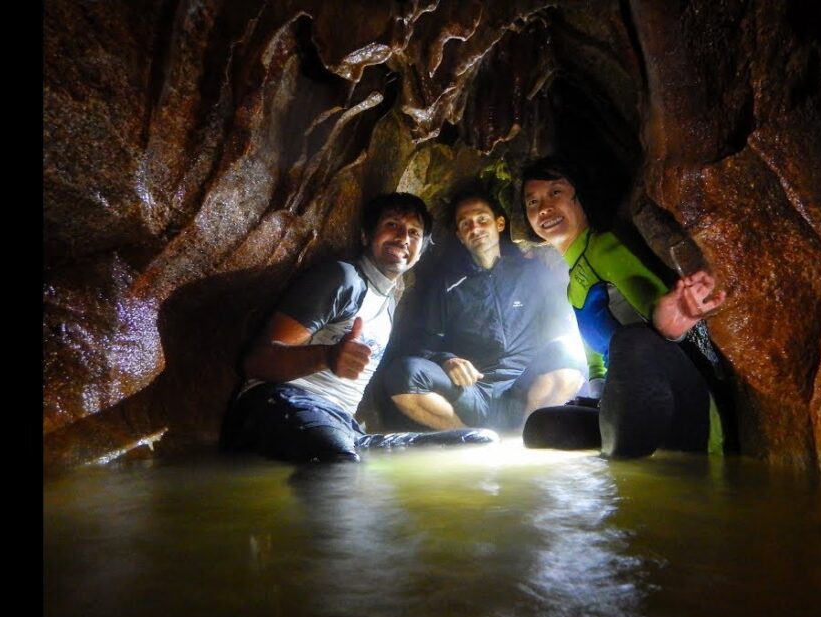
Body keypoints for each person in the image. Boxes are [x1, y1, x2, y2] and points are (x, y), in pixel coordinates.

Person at [221, 192, 497, 463]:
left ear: (421, 251)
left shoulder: (389, 303)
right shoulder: (343, 279)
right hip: (277, 404)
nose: (403, 238)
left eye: (414, 233)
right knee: (340, 462)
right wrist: (325, 356)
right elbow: (256, 362)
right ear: (366, 236)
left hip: (339, 421)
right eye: (392, 225)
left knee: (476, 442)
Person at [520, 157, 734, 457]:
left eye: (555, 193)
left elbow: (650, 302)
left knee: (631, 341)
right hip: (627, 407)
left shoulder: (604, 247)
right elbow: (595, 362)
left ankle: (621, 471)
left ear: (579, 195)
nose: (544, 207)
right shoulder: (573, 287)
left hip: (678, 399)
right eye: (533, 201)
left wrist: (667, 322)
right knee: (542, 427)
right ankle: (617, 452)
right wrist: (598, 399)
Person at [380, 185, 587, 434]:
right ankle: (473, 437)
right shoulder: (447, 284)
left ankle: (526, 434)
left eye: (482, 219)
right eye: (465, 224)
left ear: (499, 224)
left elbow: (562, 325)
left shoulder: (533, 273)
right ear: (459, 235)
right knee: (402, 374)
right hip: (472, 391)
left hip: (527, 389)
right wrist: (447, 360)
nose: (475, 228)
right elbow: (423, 344)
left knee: (571, 356)